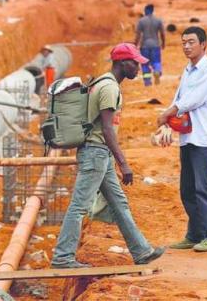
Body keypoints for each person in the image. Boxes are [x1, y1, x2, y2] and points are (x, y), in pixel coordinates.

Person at [51, 43, 165, 269]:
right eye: (135, 63)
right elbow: (106, 129)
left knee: (119, 202)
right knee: (79, 206)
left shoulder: (101, 82)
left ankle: (141, 250)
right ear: (123, 63)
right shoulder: (109, 88)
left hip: (99, 154)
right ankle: (63, 257)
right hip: (96, 153)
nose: (138, 68)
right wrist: (124, 163)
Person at [157, 26, 207, 253]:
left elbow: (193, 99)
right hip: (188, 137)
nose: (186, 46)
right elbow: (180, 97)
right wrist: (167, 117)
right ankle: (195, 234)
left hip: (204, 138)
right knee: (188, 189)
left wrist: (168, 112)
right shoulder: (188, 71)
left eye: (191, 42)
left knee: (205, 188)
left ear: (203, 44)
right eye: (184, 42)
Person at [134, 4, 165, 86]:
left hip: (144, 46)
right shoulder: (158, 20)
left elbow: (138, 35)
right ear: (152, 11)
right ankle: (157, 71)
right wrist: (163, 43)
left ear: (145, 11)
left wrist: (135, 45)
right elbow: (162, 33)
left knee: (145, 63)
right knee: (156, 62)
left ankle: (147, 81)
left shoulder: (141, 21)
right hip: (155, 45)